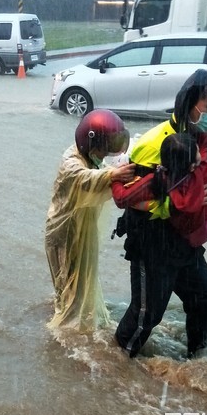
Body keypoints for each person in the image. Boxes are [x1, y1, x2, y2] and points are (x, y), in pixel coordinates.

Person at [110, 69, 207, 359]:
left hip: (184, 241)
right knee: (147, 315)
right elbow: (128, 195)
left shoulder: (200, 139)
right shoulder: (153, 143)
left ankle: (198, 362)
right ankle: (113, 367)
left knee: (206, 301)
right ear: (191, 101)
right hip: (151, 241)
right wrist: (173, 206)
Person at [45, 109, 135, 332]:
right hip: (64, 234)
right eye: (102, 151)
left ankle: (80, 325)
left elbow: (101, 172)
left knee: (83, 282)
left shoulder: (89, 158)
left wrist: (117, 172)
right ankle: (65, 335)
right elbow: (86, 177)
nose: (103, 157)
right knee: (67, 287)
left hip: (84, 228)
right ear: (89, 141)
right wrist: (113, 175)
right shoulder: (71, 163)